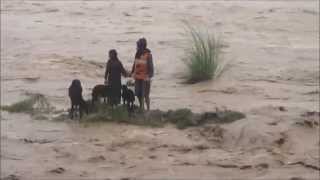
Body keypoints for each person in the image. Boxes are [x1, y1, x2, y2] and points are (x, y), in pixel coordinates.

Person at [131, 38, 154, 111]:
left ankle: (148, 109)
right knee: (137, 93)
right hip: (137, 78)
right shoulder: (137, 54)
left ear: (142, 46)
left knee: (145, 95)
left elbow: (151, 68)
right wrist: (132, 73)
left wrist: (149, 76)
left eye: (138, 45)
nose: (136, 47)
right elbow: (134, 64)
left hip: (145, 78)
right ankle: (142, 107)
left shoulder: (149, 55)